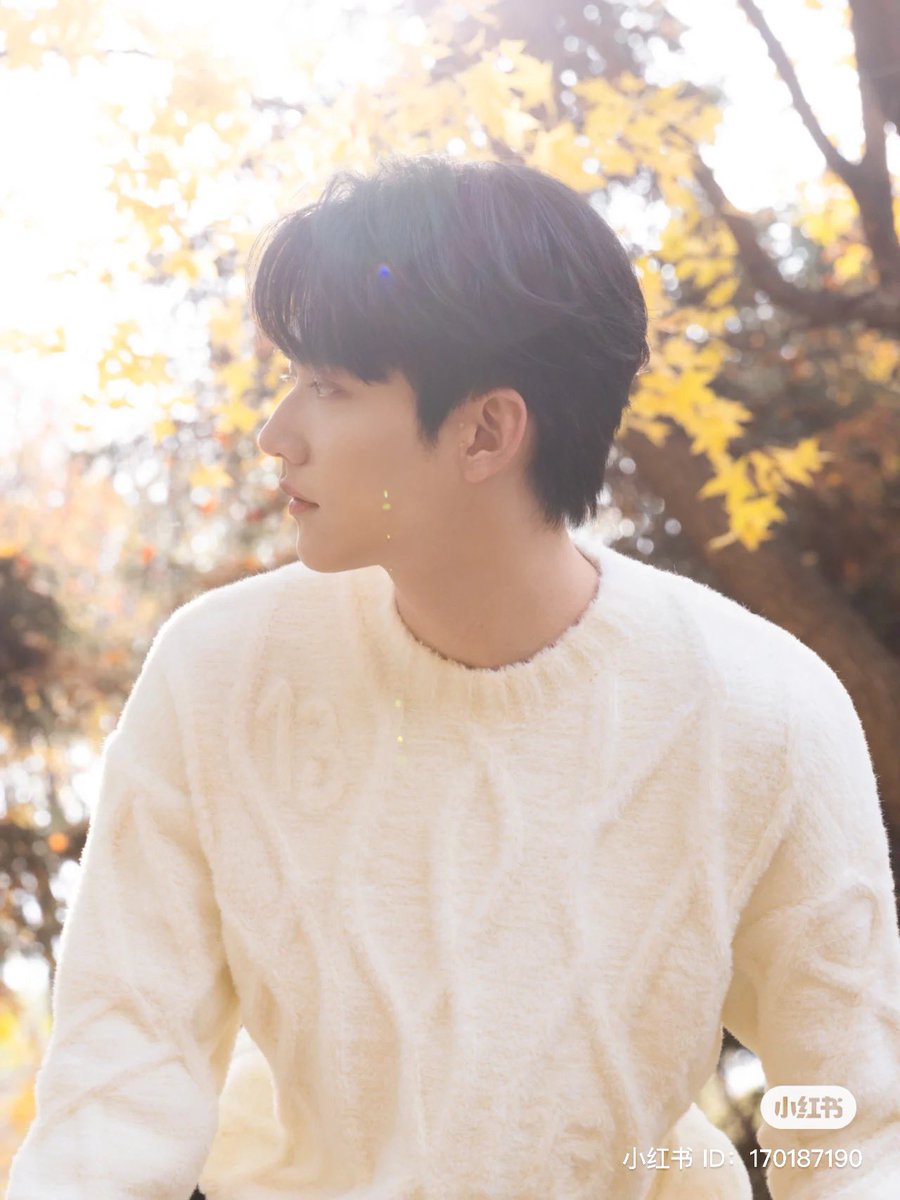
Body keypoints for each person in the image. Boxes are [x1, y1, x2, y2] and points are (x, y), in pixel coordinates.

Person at [8, 152, 900, 1200]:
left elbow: (852, 1133)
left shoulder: (768, 710)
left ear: (486, 432)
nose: (276, 435)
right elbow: (117, 1093)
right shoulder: (219, 673)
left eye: (328, 388)